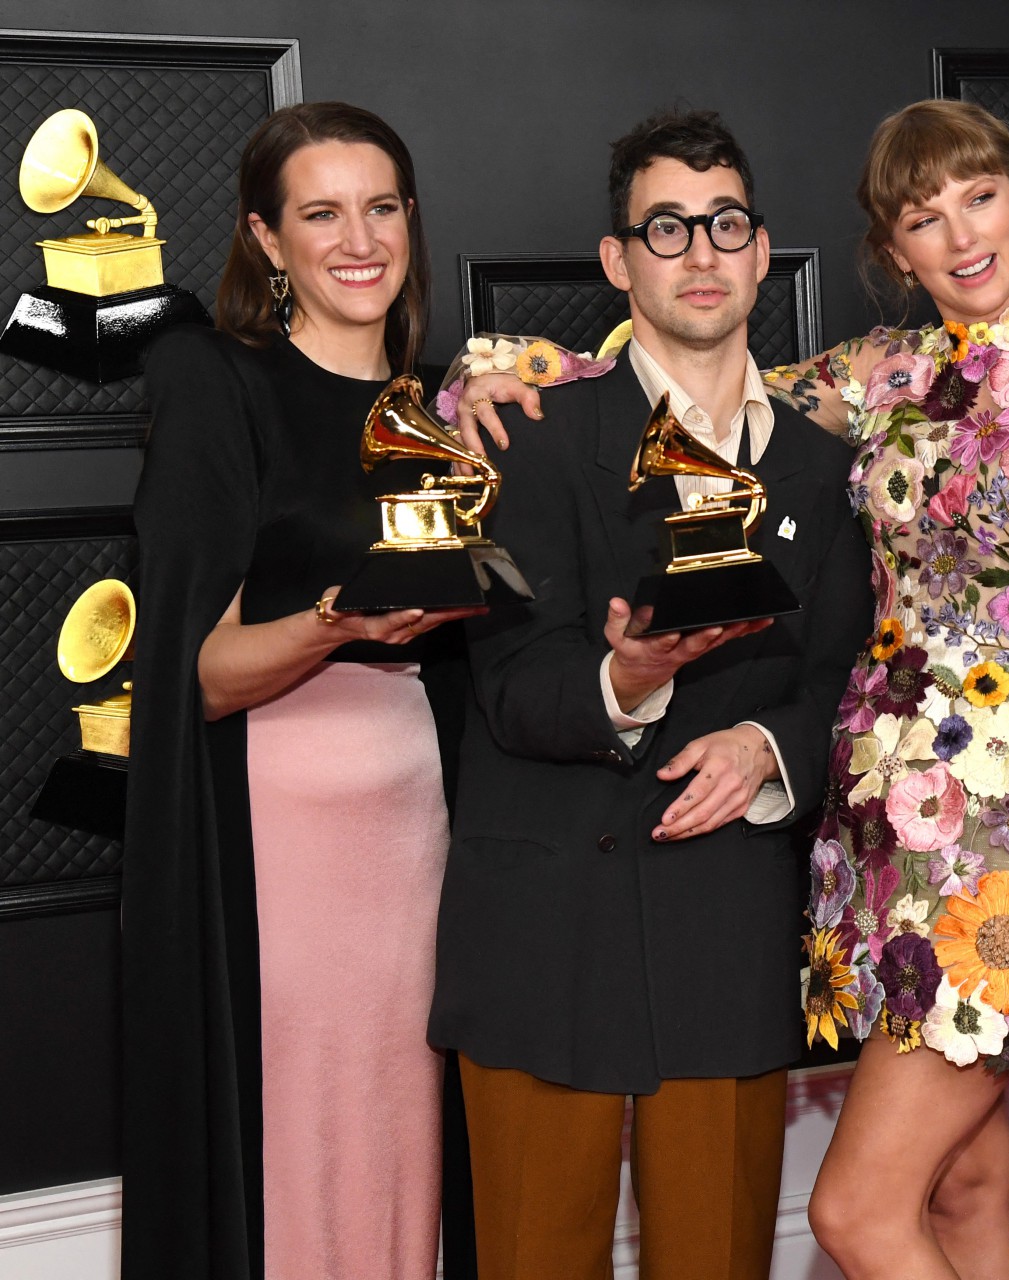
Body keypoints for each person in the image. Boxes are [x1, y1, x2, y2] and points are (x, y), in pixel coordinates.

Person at [454, 98, 1009, 1280]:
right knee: (960, 1183)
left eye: (979, 198)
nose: (961, 236)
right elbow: (689, 375)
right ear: (892, 252)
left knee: (855, 1212)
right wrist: (513, 372)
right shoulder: (873, 374)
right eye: (921, 217)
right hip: (884, 811)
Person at [426, 109, 873, 1280]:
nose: (702, 251)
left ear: (763, 249)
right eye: (666, 228)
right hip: (538, 934)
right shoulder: (529, 435)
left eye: (725, 222)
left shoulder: (828, 471)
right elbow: (511, 681)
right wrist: (623, 681)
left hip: (721, 930)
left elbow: (841, 679)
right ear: (619, 261)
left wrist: (767, 752)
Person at [126, 102, 470, 1280]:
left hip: (422, 824)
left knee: (409, 1124)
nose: (357, 238)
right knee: (300, 1130)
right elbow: (201, 675)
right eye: (321, 213)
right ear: (269, 241)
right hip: (287, 837)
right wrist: (339, 621)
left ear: (411, 223)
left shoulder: (449, 408)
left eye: (380, 207)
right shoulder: (223, 385)